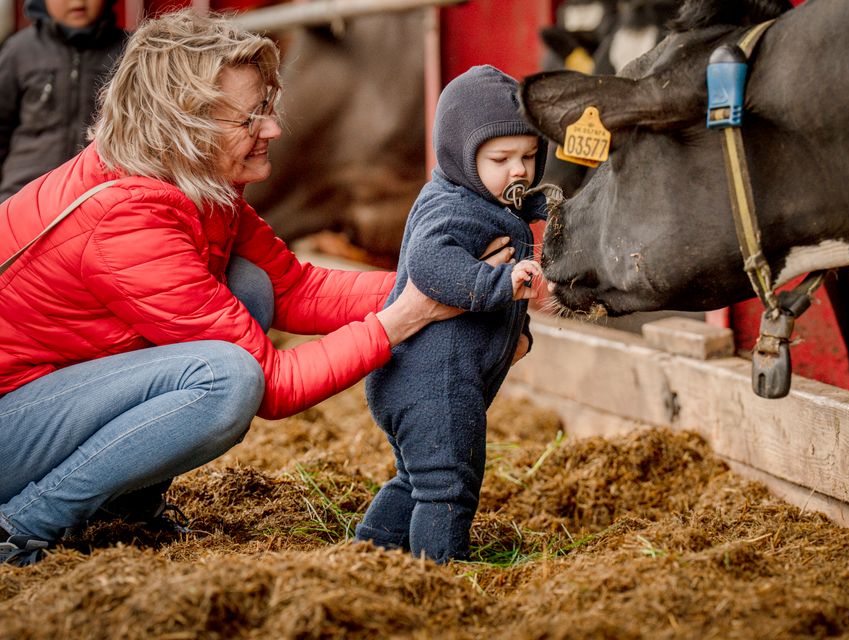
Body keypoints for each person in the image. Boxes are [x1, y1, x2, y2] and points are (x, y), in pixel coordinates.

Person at [0, 12, 515, 567]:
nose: (271, 129)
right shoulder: (127, 219)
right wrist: (406, 317)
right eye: (250, 118)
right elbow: (271, 385)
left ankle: (124, 508)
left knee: (252, 283)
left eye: (267, 107)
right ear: (186, 128)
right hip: (14, 426)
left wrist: (449, 280)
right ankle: (20, 526)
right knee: (227, 380)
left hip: (52, 398)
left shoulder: (191, 181)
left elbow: (295, 287)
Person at [355, 65, 549, 563]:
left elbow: (520, 218)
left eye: (529, 156)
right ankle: (442, 573)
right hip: (430, 381)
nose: (519, 171)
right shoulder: (453, 208)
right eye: (501, 158)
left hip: (424, 379)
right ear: (463, 156)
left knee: (417, 479)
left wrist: (514, 335)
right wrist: (497, 284)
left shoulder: (490, 201)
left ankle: (369, 552)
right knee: (449, 485)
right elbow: (429, 263)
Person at [0, 0, 126, 203]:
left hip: (100, 197)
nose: (77, 2)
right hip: (23, 195)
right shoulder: (18, 51)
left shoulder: (129, 52)